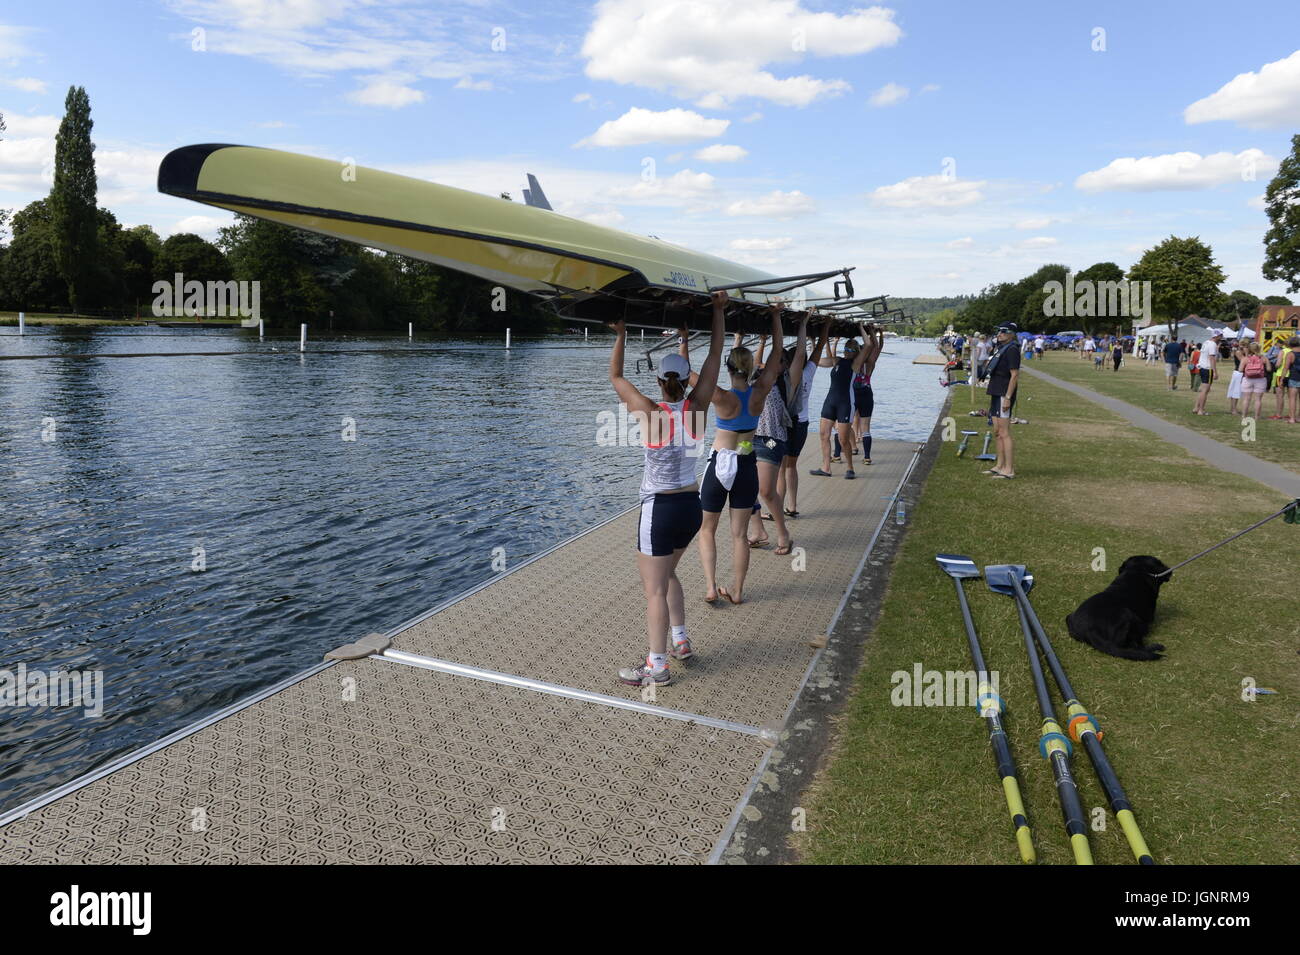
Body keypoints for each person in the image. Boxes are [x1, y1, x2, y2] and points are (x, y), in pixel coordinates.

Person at [608, 295, 725, 688]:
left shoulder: (648, 410)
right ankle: (681, 640)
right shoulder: (697, 408)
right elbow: (715, 358)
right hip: (691, 506)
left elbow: (616, 377)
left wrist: (621, 335)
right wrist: (718, 314)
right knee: (670, 574)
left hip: (658, 509)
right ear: (686, 377)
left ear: (660, 380)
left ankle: (656, 667)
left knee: (654, 589)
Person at [690, 302, 785, 606]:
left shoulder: (720, 397)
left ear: (729, 369)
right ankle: (738, 591)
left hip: (720, 461)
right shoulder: (760, 393)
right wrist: (775, 317)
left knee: (707, 529)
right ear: (751, 368)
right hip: (745, 463)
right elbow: (776, 355)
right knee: (739, 535)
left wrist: (682, 343)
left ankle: (709, 586)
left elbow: (692, 371)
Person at [747, 316, 808, 554]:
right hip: (747, 437)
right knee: (745, 488)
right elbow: (753, 362)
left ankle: (783, 533)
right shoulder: (758, 378)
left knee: (766, 490)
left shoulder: (787, 382)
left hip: (771, 439)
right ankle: (758, 530)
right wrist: (760, 342)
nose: (773, 364)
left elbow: (800, 354)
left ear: (785, 364)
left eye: (780, 361)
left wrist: (802, 326)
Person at [778, 313, 831, 518]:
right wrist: (826, 326)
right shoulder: (809, 371)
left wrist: (803, 325)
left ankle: (778, 509)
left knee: (782, 468)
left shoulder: (790, 377)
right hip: (803, 423)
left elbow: (801, 353)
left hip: (789, 425)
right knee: (791, 466)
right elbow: (818, 349)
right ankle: (791, 506)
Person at [811, 329, 872, 479]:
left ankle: (850, 468)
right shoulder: (837, 360)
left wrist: (862, 328)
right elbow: (817, 361)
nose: (847, 352)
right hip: (830, 401)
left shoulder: (856, 364)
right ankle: (826, 468)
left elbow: (869, 345)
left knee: (843, 439)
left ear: (857, 352)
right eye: (846, 349)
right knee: (823, 435)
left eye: (851, 349)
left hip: (845, 403)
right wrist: (814, 342)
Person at [983, 322, 1021, 479]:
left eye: (1003, 331)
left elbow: (1015, 375)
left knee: (1004, 432)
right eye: (998, 331)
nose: (999, 334)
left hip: (1003, 393)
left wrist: (1007, 398)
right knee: (997, 431)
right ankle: (999, 465)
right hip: (995, 390)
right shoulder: (1000, 347)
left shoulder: (1012, 349)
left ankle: (1009, 469)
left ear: (1011, 334)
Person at [852, 324, 884, 466]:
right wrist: (875, 333)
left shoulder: (854, 364)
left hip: (854, 395)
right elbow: (877, 347)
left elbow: (875, 347)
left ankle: (840, 452)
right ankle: (866, 457)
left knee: (847, 423)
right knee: (866, 427)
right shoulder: (871, 363)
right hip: (867, 395)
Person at [1193, 331, 1222, 415]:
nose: (1222, 337)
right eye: (1220, 335)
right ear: (1216, 336)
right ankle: (1201, 410)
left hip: (1202, 367)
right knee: (1205, 391)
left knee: (1203, 390)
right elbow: (1211, 358)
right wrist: (1215, 372)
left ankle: (1196, 408)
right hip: (1207, 369)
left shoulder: (1206, 342)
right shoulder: (1213, 344)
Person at [1239, 341, 1268, 421]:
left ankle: (1243, 416)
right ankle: (1256, 417)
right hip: (1260, 379)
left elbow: (1240, 370)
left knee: (1246, 399)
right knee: (1258, 399)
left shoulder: (1245, 358)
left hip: (1247, 379)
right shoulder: (1263, 358)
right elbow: (1269, 369)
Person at [1284, 336, 1300, 424]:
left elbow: (1286, 368)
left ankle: (1292, 418)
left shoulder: (1290, 354)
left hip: (1294, 377)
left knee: (1292, 399)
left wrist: (1282, 378)